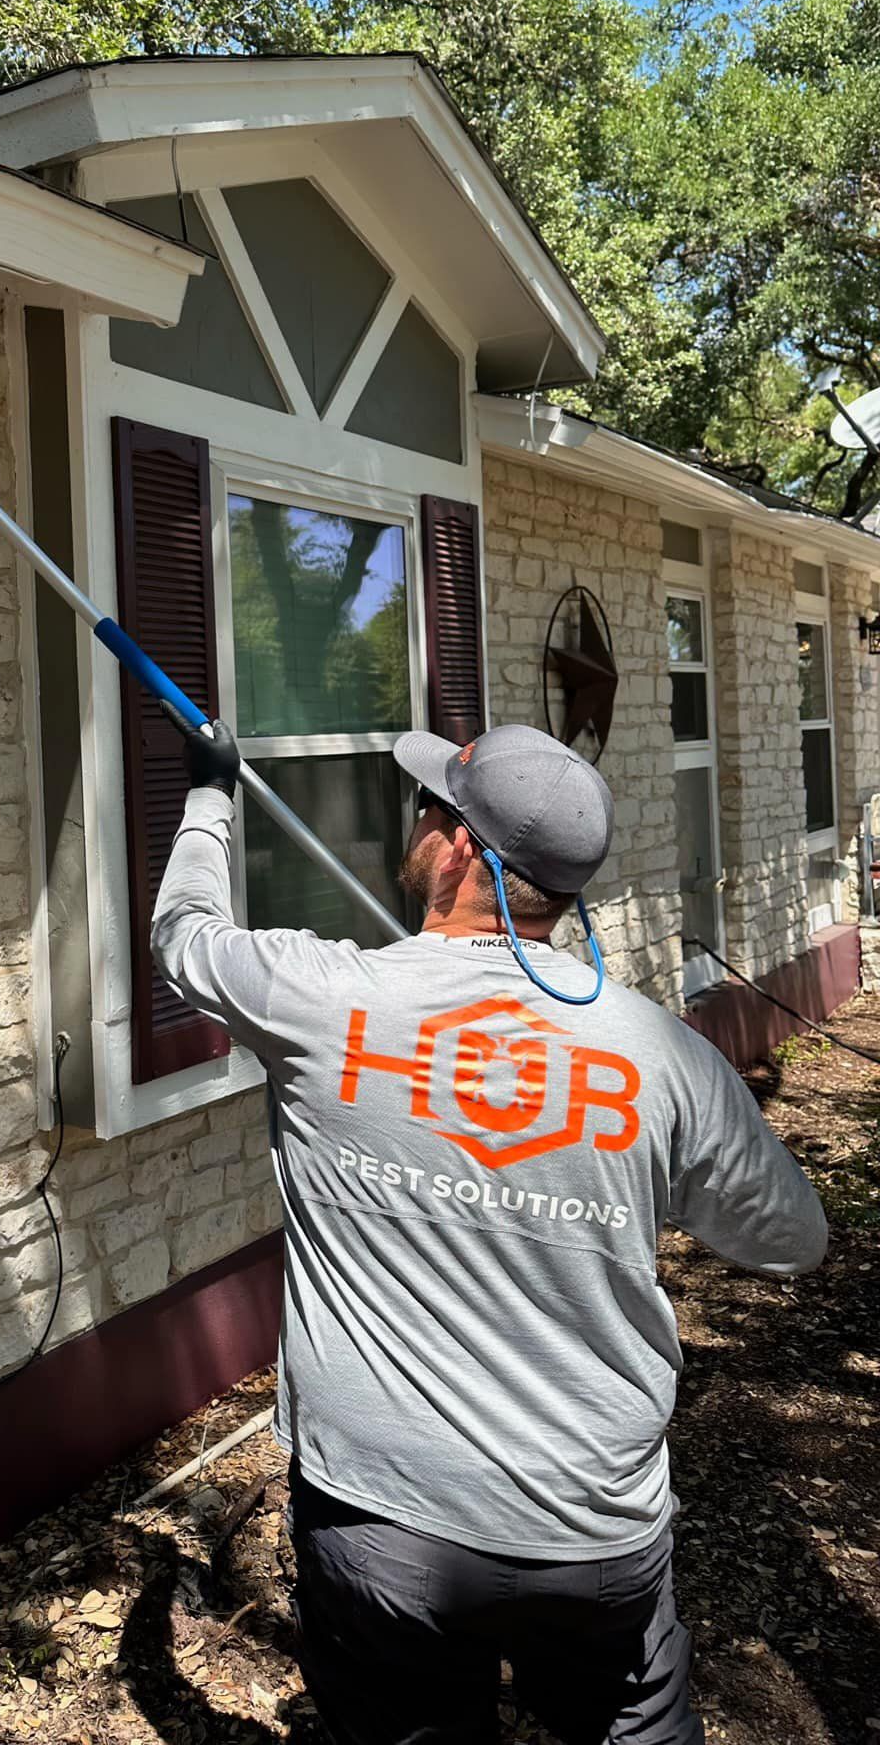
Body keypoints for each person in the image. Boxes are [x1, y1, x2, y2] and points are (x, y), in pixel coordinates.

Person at [151, 719, 827, 1745]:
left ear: (462, 849)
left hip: (385, 1528)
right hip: (593, 1528)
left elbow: (185, 936)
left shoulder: (325, 1000)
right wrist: (632, 1177)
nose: (417, 819)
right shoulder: (658, 1052)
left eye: (432, 806)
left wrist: (209, 793)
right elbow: (791, 1235)